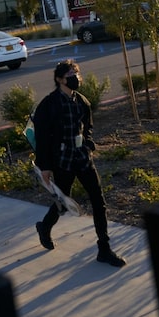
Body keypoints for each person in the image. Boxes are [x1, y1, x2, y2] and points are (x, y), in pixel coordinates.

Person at [32, 59, 126, 267]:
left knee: (98, 201)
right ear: (59, 79)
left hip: (83, 159)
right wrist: (45, 166)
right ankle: (45, 227)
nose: (76, 79)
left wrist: (89, 142)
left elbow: (88, 125)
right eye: (71, 76)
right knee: (63, 203)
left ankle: (104, 248)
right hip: (62, 161)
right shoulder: (48, 105)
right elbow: (42, 138)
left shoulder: (82, 101)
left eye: (77, 74)